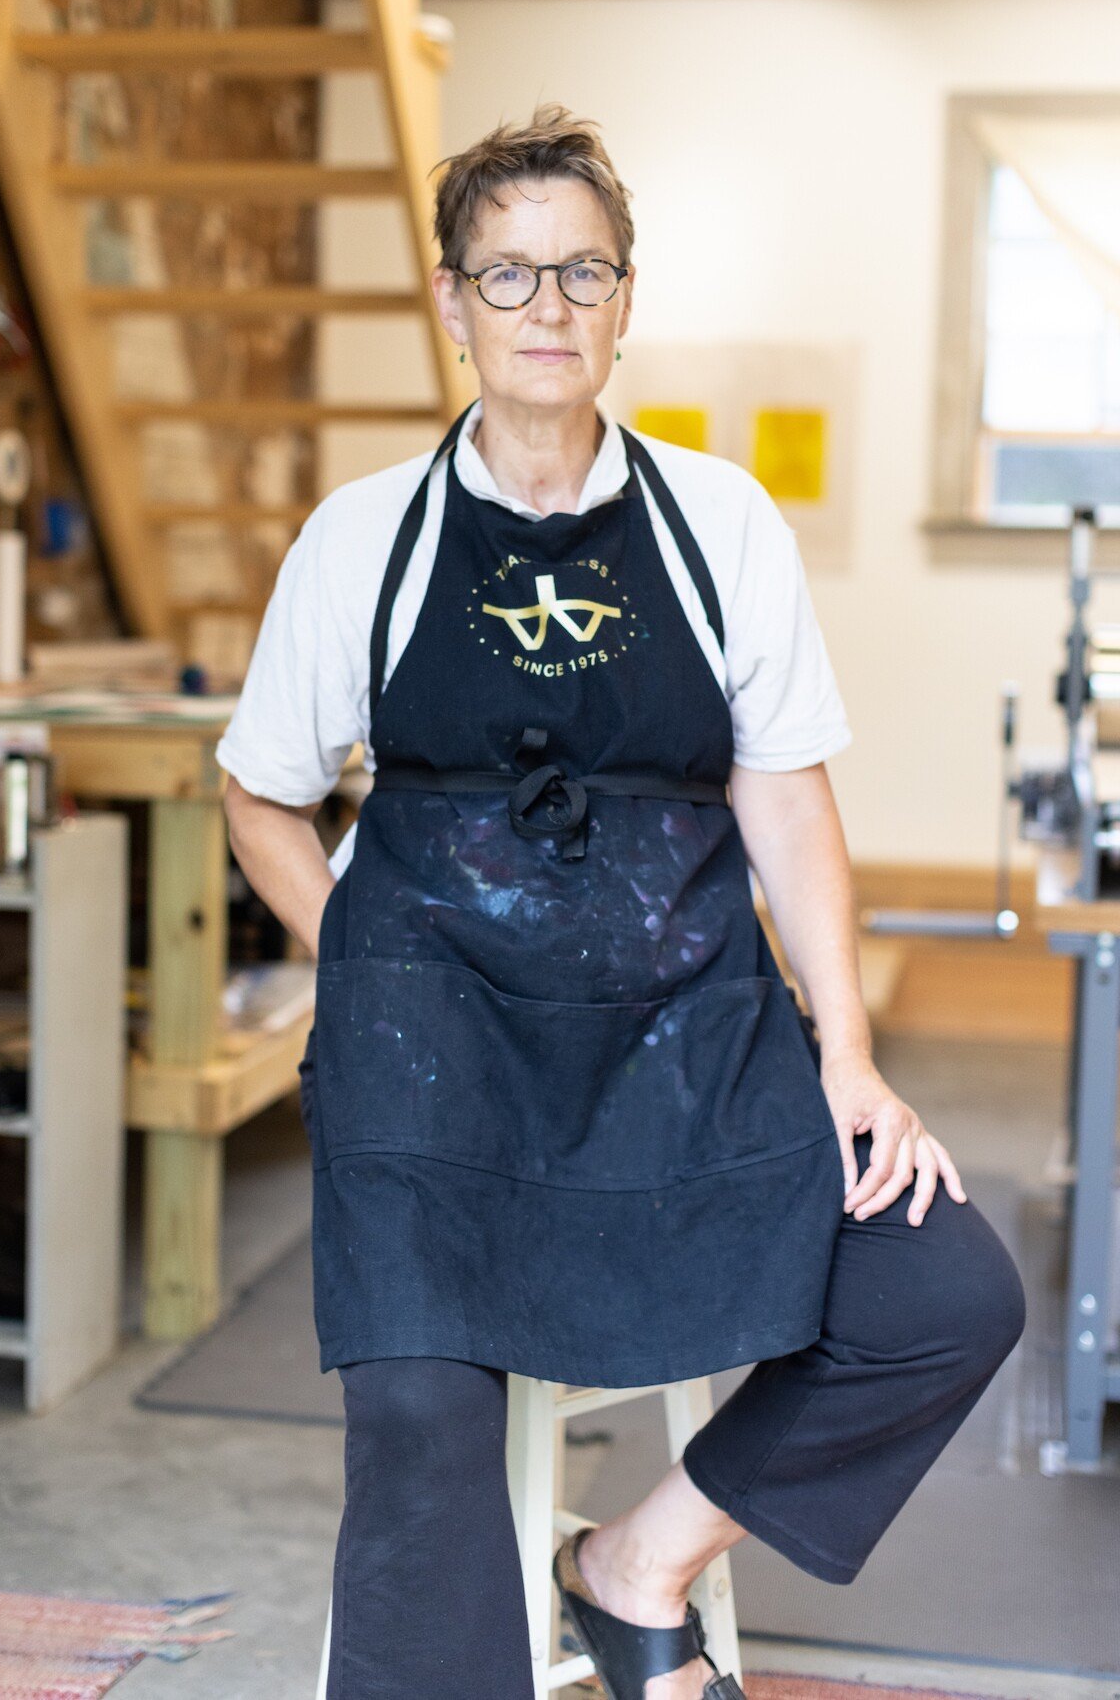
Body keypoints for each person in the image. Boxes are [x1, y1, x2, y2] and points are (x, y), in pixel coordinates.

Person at [217, 104, 1026, 1700]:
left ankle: (634, 1564)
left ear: (626, 298)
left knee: (946, 1290)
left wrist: (850, 1057)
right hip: (433, 1069)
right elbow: (259, 793)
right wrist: (366, 965)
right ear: (452, 303)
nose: (548, 311)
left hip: (687, 1046)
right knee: (425, 1439)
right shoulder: (359, 539)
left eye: (581, 273)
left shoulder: (720, 524)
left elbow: (786, 796)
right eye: (508, 278)